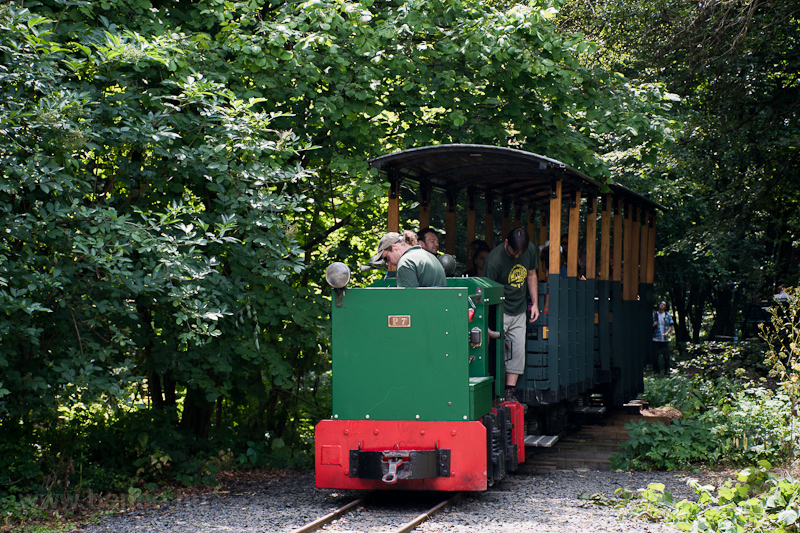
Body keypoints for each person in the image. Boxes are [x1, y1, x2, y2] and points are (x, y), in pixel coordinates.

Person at [484, 228, 540, 401]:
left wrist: (535, 303)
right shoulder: (494, 260)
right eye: (513, 252)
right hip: (499, 308)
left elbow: (531, 275)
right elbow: (486, 292)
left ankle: (510, 390)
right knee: (495, 349)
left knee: (517, 349)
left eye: (520, 253)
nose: (517, 256)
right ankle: (490, 389)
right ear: (506, 242)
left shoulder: (529, 249)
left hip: (520, 308)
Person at [370, 232, 446, 288]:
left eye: (387, 258)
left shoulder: (406, 262)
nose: (389, 263)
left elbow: (408, 301)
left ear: (394, 247)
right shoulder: (428, 256)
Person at [651, 300, 674, 375]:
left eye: (663, 304)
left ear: (666, 307)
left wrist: (667, 333)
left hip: (664, 339)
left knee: (666, 357)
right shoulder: (654, 315)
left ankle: (667, 372)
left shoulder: (668, 316)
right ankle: (656, 372)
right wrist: (653, 325)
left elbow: (670, 326)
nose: (661, 305)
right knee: (655, 357)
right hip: (655, 338)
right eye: (661, 303)